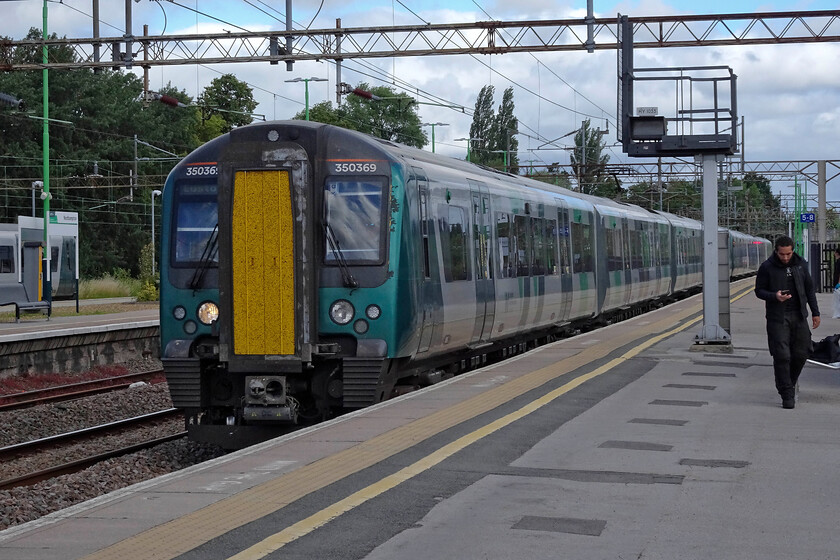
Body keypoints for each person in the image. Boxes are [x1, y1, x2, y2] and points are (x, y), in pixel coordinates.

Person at [755, 235, 820, 409]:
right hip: (778, 317)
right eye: (782, 254)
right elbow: (759, 291)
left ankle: (787, 382)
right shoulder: (767, 267)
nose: (785, 257)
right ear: (776, 251)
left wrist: (815, 312)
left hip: (799, 315)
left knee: (802, 353)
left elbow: (809, 290)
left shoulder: (801, 265)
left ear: (793, 251)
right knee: (782, 355)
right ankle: (786, 393)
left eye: (788, 254)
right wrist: (774, 296)